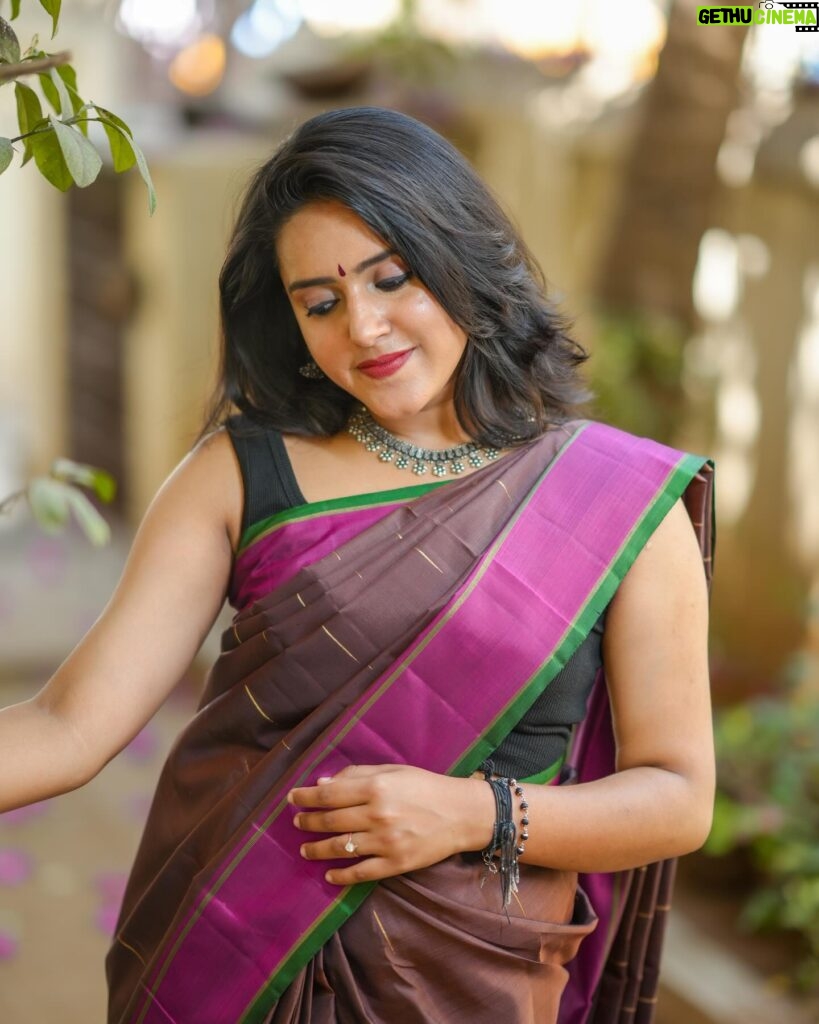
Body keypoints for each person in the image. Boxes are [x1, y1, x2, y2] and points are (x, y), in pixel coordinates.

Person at [0, 107, 715, 1024]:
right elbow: (69, 724)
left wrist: (474, 816)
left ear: (462, 258)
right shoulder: (241, 474)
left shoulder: (611, 502)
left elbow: (677, 796)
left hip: (470, 981)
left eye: (393, 279)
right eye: (322, 303)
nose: (365, 328)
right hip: (228, 965)